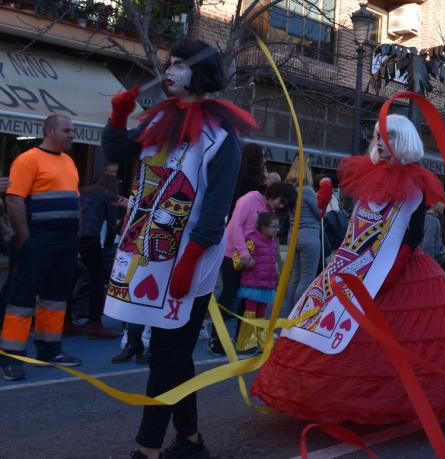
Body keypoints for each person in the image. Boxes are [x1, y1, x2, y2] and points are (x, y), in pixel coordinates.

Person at [251, 115, 445, 426]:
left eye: (388, 137)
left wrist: (396, 263)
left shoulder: (414, 183)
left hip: (401, 271)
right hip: (355, 265)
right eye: (378, 136)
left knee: (396, 339)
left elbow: (412, 233)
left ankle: (392, 403)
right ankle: (336, 398)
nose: (381, 143)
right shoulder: (370, 178)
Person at [102, 40, 255, 459]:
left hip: (190, 263)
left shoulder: (220, 137)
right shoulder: (159, 122)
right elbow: (117, 154)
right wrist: (117, 117)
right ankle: (189, 440)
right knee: (172, 355)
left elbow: (216, 208)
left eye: (181, 65)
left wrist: (190, 259)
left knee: (167, 353)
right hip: (146, 253)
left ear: (200, 74)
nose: (170, 70)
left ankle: (147, 448)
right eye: (169, 64)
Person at [0, 114, 82, 381]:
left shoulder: (69, 161)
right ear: (49, 131)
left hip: (65, 242)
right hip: (39, 239)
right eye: (67, 130)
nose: (72, 135)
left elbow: (74, 200)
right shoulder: (27, 160)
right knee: (21, 300)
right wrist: (25, 240)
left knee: (56, 298)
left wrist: (76, 235)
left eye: (73, 130)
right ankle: (11, 356)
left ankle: (49, 350)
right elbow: (14, 201)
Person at [209, 182, 295, 355]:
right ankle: (216, 339)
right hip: (231, 255)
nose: (281, 206)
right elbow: (236, 226)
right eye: (281, 201)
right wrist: (243, 252)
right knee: (229, 294)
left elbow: (270, 239)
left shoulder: (269, 210)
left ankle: (244, 339)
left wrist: (275, 264)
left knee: (246, 299)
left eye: (284, 204)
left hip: (251, 261)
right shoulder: (249, 199)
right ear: (274, 193)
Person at [76, 173, 122, 338]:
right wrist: (110, 245)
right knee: (98, 279)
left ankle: (66, 320)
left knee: (72, 277)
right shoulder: (107, 196)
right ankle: (95, 323)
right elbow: (111, 225)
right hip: (90, 238)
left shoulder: (84, 190)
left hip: (73, 236)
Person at [234, 212, 282, 354]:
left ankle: (261, 342)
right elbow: (238, 259)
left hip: (267, 285)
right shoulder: (252, 240)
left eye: (278, 226)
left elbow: (272, 261)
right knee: (250, 312)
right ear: (263, 227)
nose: (277, 229)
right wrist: (247, 261)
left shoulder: (273, 242)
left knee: (261, 314)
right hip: (252, 284)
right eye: (274, 226)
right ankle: (246, 343)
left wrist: (276, 273)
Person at [281, 154, 323, 313]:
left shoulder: (290, 190)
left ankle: (290, 313)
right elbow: (319, 212)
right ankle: (298, 314)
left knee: (295, 276)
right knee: (307, 277)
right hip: (309, 234)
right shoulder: (307, 190)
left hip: (293, 234)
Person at [230, 143, 268, 214]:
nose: (264, 160)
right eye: (262, 157)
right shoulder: (250, 181)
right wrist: (265, 183)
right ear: (254, 159)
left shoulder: (239, 175)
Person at [421, 200, 445, 265]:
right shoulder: (432, 220)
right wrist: (431, 264)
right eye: (442, 202)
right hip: (430, 263)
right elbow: (428, 245)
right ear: (432, 204)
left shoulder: (428, 218)